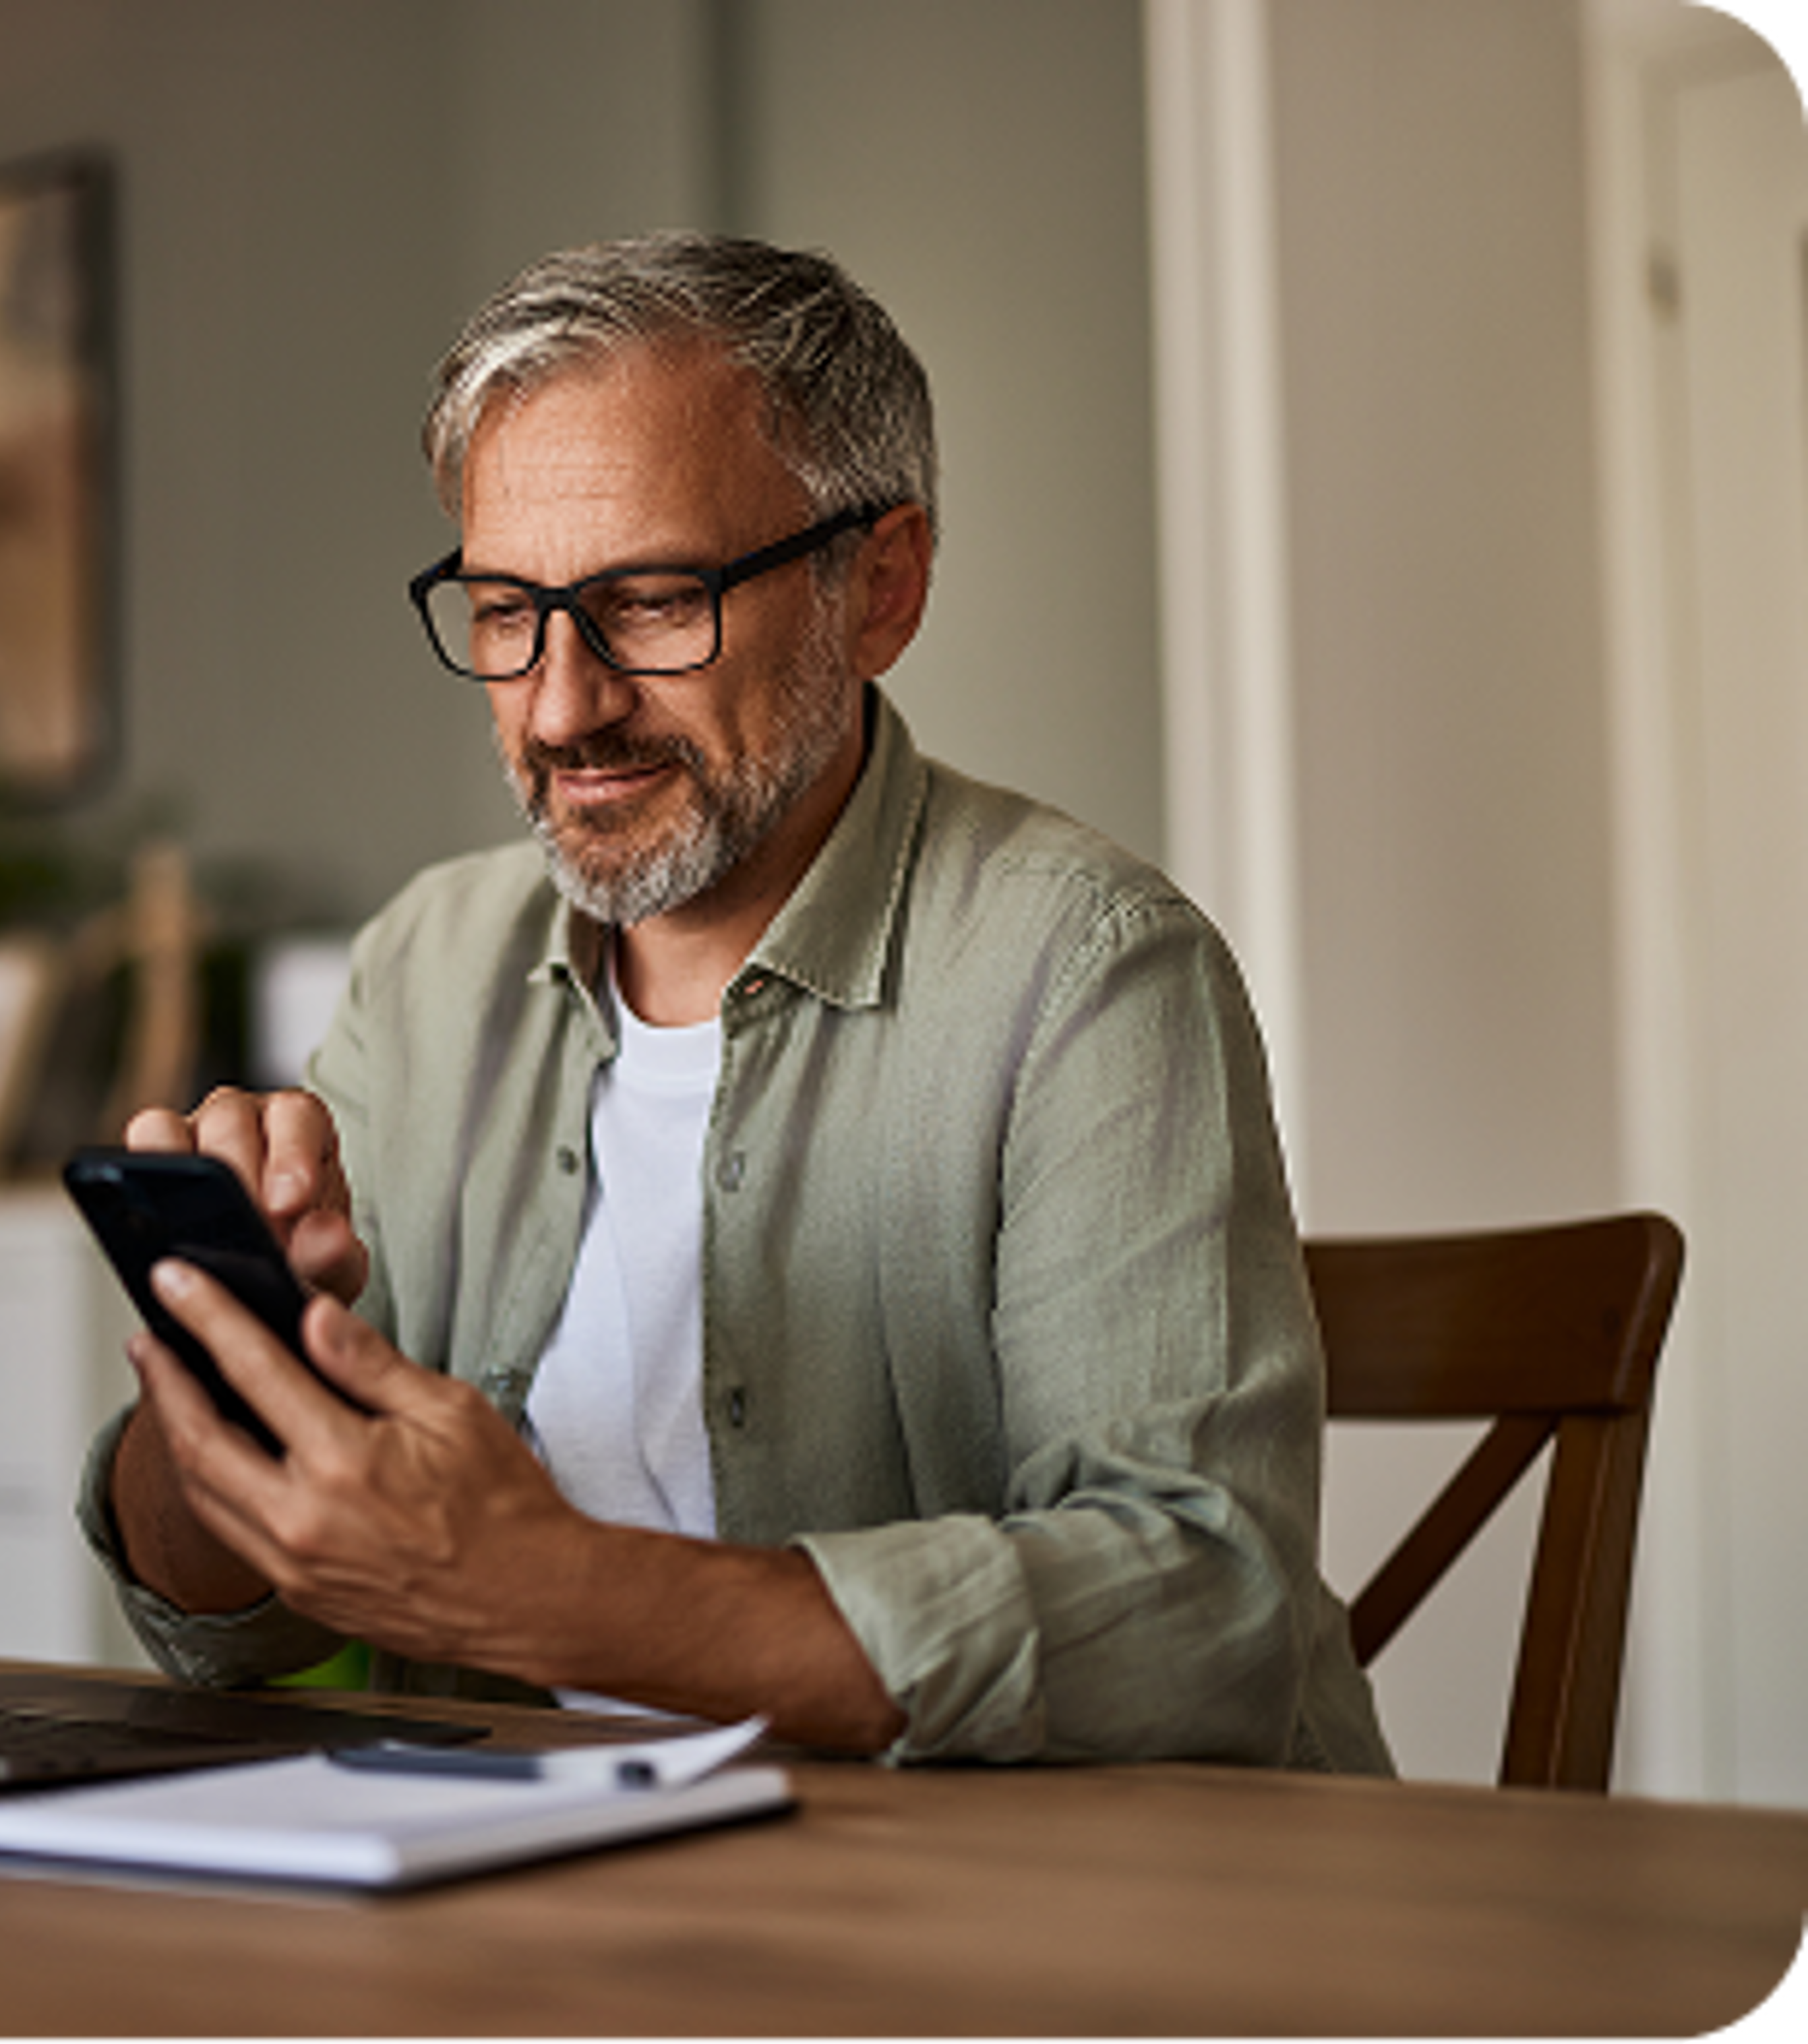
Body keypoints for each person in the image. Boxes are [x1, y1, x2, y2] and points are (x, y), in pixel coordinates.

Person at [81, 232, 1391, 1770]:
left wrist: (554, 1591)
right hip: (542, 1903)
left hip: (1029, 1929)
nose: (564, 705)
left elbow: (1197, 1615)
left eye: (650, 601)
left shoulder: (1092, 971)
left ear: (880, 585)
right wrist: (226, 1384)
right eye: (506, 611)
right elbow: (219, 1621)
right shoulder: (426, 967)